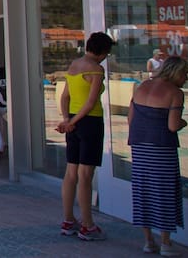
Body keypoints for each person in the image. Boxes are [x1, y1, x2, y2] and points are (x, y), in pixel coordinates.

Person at [57, 31, 114, 241]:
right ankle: (88, 225)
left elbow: (64, 97)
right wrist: (73, 122)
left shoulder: (74, 66)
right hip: (89, 122)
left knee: (71, 172)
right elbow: (91, 103)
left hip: (73, 120)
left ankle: (68, 219)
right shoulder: (96, 70)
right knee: (86, 176)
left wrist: (67, 120)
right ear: (102, 52)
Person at [129, 56, 188, 256]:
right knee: (163, 191)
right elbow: (173, 125)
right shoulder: (175, 93)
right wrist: (184, 123)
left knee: (143, 190)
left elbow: (131, 119)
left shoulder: (143, 86)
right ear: (175, 73)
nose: (187, 78)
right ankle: (165, 242)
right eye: (185, 73)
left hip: (139, 145)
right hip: (161, 148)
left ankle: (148, 241)